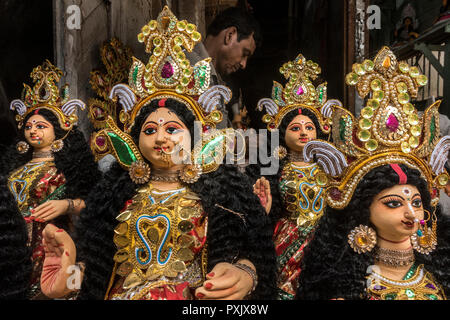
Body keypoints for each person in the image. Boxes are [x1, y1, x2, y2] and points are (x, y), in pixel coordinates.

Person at [39, 6, 277, 300]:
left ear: (195, 137)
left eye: (173, 129)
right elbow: (98, 267)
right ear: (135, 141)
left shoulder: (223, 191)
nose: (161, 137)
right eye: (150, 130)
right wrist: (68, 276)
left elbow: (253, 248)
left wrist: (246, 272)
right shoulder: (115, 193)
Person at [297, 47, 450, 300]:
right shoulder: (348, 283)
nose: (411, 213)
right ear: (362, 210)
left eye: (416, 202)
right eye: (393, 203)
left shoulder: (438, 271)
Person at [1, 60, 101, 299]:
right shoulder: (16, 167)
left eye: (41, 126)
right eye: (29, 126)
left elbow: (96, 203)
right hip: (13, 241)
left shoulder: (70, 167)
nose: (33, 130)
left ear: (58, 130)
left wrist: (66, 205)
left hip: (49, 241)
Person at [252, 54, 343, 299]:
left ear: (319, 131)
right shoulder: (276, 169)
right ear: (282, 134)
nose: (303, 132)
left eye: (309, 127)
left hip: (322, 236)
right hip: (287, 236)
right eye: (295, 127)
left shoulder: (329, 168)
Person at [185, 6, 262, 128]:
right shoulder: (190, 67)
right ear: (230, 35)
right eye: (244, 54)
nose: (243, 64)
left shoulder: (216, 79)